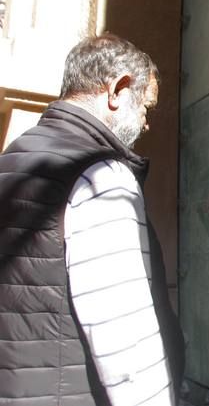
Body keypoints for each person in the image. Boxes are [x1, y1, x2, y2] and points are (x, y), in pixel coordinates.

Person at [0, 34, 184, 406]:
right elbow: (124, 339)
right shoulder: (100, 174)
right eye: (146, 107)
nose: (147, 124)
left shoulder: (10, 160)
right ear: (117, 90)